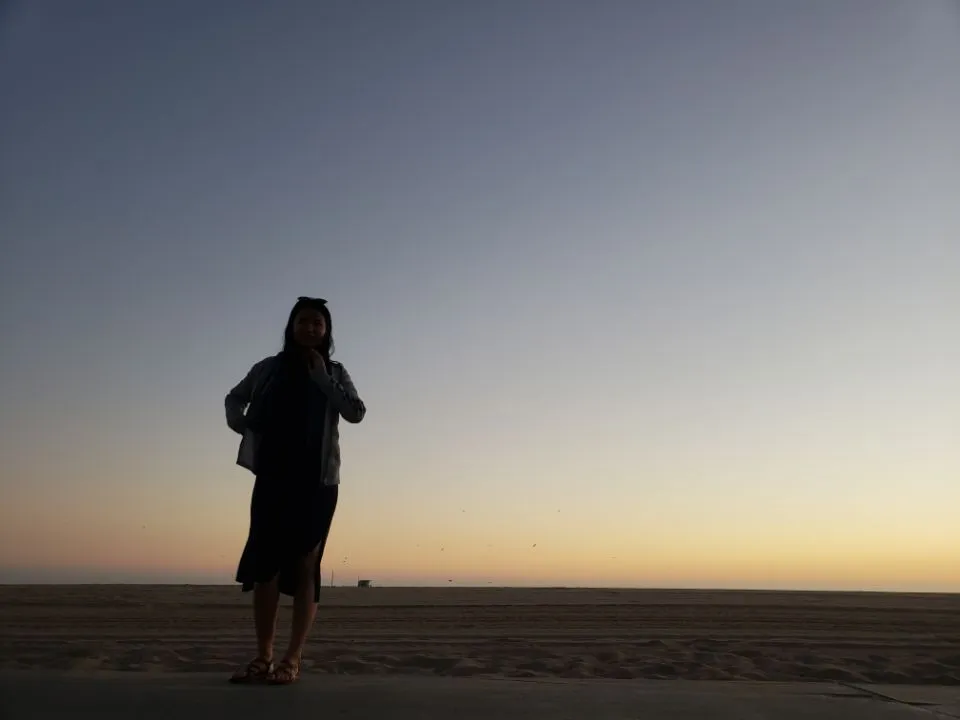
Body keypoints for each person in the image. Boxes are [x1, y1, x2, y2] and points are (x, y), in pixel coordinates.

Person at [223, 296, 366, 685]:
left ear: (326, 330)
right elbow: (235, 396)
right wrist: (238, 421)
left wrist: (322, 378)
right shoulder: (268, 368)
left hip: (318, 483)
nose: (311, 328)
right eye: (304, 321)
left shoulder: (335, 371)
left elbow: (355, 412)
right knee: (265, 566)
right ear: (292, 326)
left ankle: (292, 658)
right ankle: (264, 656)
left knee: (306, 565)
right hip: (272, 477)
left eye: (318, 323)